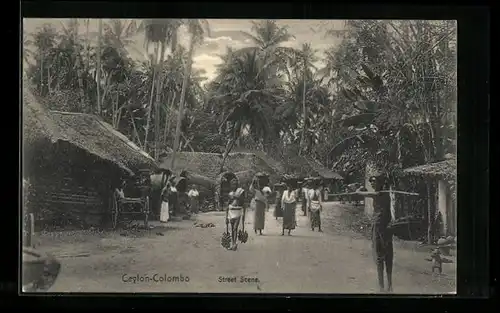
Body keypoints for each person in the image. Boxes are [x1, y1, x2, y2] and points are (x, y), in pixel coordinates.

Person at [353, 175, 394, 292]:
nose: (372, 184)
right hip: (384, 227)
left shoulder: (378, 194)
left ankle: (386, 286)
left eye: (374, 182)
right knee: (384, 256)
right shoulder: (385, 194)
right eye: (371, 182)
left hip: (380, 228)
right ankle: (385, 286)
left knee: (383, 256)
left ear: (380, 183)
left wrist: (360, 188)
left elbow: (359, 193)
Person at [225, 179, 246, 250]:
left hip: (238, 211)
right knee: (232, 228)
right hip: (231, 211)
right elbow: (228, 204)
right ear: (231, 185)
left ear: (237, 185)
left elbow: (243, 201)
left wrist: (244, 215)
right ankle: (233, 243)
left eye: (235, 184)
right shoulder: (230, 193)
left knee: (235, 228)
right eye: (233, 184)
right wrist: (226, 216)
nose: (234, 186)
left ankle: (234, 244)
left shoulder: (241, 192)